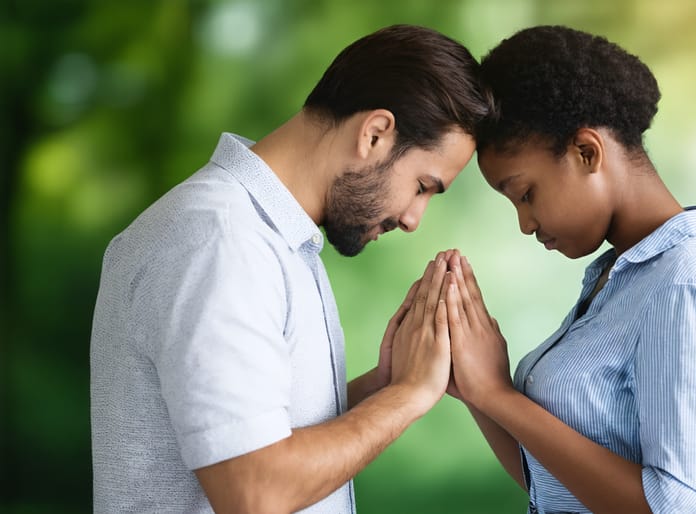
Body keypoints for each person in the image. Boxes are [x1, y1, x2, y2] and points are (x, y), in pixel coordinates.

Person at [89, 24, 490, 513]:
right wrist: (407, 396)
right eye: (423, 186)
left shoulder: (270, 238)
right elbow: (254, 490)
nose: (412, 219)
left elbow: (250, 429)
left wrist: (380, 385)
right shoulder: (222, 241)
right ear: (375, 134)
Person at [439, 25, 696, 513]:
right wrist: (476, 391)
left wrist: (500, 395)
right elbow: (558, 486)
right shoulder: (619, 277)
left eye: (525, 194)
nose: (525, 223)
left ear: (587, 152)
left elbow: (678, 506)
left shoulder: (682, 283)